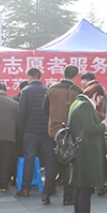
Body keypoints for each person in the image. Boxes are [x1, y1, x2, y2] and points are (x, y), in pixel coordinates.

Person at [68, 82, 107, 213]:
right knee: (86, 188)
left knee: (79, 187)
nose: (100, 102)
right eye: (101, 98)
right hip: (86, 152)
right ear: (95, 95)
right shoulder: (85, 106)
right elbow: (91, 128)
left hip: (80, 151)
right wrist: (104, 126)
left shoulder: (76, 103)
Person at [42, 65, 83, 205]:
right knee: (69, 164)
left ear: (63, 73)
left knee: (53, 163)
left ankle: (46, 194)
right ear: (76, 76)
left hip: (54, 131)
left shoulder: (52, 89)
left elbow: (44, 109)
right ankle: (68, 197)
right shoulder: (77, 91)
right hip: (70, 132)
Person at [16, 68, 51, 198]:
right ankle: (50, 186)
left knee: (29, 159)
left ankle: (25, 188)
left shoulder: (26, 91)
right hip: (45, 130)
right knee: (48, 159)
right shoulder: (47, 91)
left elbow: (22, 113)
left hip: (30, 130)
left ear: (29, 77)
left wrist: (22, 128)